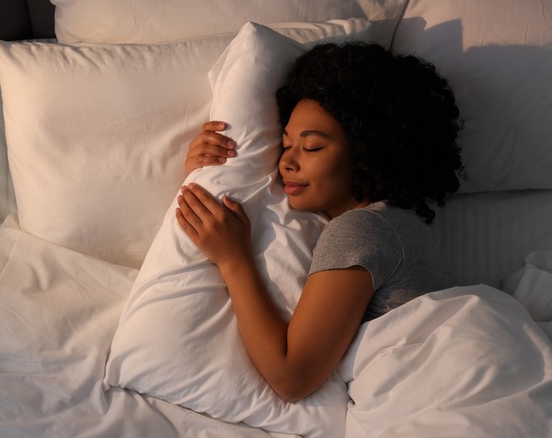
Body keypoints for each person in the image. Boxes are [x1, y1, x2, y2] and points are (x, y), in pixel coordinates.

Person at [175, 42, 465, 402]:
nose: (288, 162)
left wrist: (234, 260)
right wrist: (208, 174)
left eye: (311, 148)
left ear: (367, 153)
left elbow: (292, 378)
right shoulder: (393, 223)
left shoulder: (362, 228)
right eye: (285, 145)